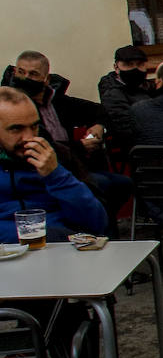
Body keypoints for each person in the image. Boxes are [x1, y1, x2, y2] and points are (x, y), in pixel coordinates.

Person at [9, 50, 128, 234]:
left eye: (33, 74)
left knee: (122, 184)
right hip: (46, 170)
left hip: (74, 164)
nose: (25, 78)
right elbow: (41, 147)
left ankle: (101, 235)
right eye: (21, 72)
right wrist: (80, 147)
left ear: (46, 79)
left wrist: (99, 126)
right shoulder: (14, 108)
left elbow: (99, 110)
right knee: (100, 187)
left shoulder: (58, 101)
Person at [0, 87, 106, 240]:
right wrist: (47, 234)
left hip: (59, 252)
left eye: (34, 126)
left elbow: (96, 224)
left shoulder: (56, 155)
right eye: (16, 129)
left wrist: (55, 175)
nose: (29, 137)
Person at [97, 44, 154, 153]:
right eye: (129, 64)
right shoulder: (112, 93)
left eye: (140, 64)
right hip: (139, 149)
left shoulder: (151, 87)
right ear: (116, 68)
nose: (135, 69)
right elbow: (126, 129)